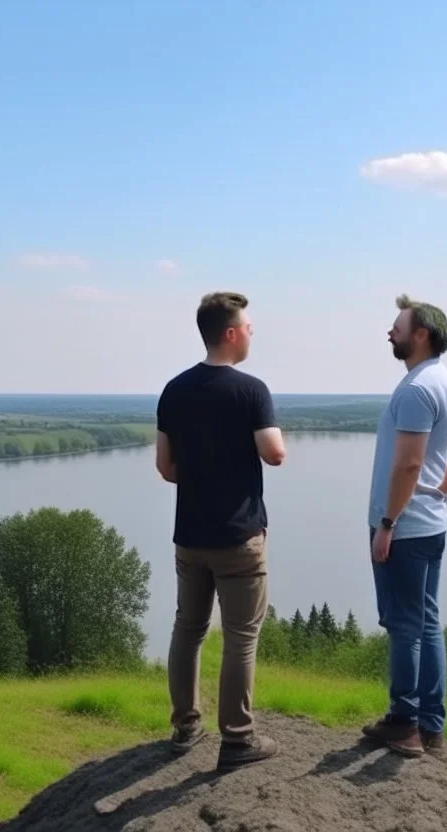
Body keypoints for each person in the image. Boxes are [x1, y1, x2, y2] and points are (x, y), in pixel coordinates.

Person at [155, 291, 287, 771]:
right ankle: (237, 739)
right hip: (238, 538)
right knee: (240, 637)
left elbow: (166, 467)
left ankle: (185, 727)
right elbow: (274, 453)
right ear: (230, 333)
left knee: (187, 629)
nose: (252, 333)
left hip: (190, 535)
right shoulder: (251, 391)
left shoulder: (174, 390)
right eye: (248, 327)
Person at [361, 294, 447, 758]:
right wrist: (437, 492)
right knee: (427, 621)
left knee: (404, 625)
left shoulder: (415, 389)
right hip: (431, 524)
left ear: (421, 335)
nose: (390, 332)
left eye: (398, 326)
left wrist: (388, 522)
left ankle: (404, 724)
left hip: (405, 528)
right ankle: (431, 726)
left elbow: (409, 465)